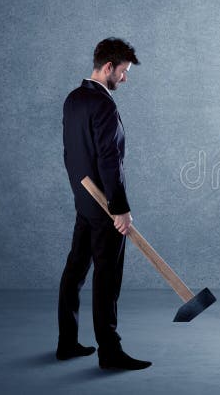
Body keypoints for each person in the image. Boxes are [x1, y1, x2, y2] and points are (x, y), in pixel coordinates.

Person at [57, 38, 151, 370]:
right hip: (105, 207)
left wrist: (80, 196)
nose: (124, 78)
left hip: (84, 202)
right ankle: (109, 352)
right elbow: (110, 160)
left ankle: (66, 342)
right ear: (108, 67)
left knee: (76, 269)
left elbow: (70, 154)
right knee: (107, 276)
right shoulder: (103, 104)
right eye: (123, 72)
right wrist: (119, 208)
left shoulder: (73, 99)